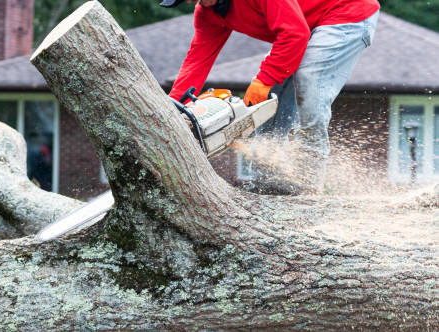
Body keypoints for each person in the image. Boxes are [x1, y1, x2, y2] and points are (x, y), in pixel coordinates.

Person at [160, 0, 380, 194]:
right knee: (269, 99)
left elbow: (294, 34)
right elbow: (197, 61)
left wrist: (264, 80)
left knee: (309, 80)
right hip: (306, 26)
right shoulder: (207, 13)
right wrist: (174, 109)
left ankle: (308, 180)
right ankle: (267, 181)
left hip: (347, 13)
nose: (191, 1)